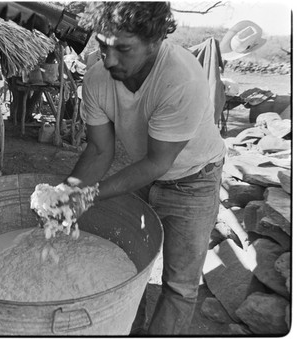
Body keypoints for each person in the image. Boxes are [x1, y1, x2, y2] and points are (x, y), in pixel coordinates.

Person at [64, 2, 226, 335]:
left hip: (194, 179)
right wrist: (66, 193)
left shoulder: (180, 78)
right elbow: (98, 150)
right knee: (129, 269)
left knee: (179, 284)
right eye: (102, 45)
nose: (108, 60)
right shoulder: (98, 78)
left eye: (123, 49)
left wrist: (86, 196)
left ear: (154, 41)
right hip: (141, 172)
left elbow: (157, 163)